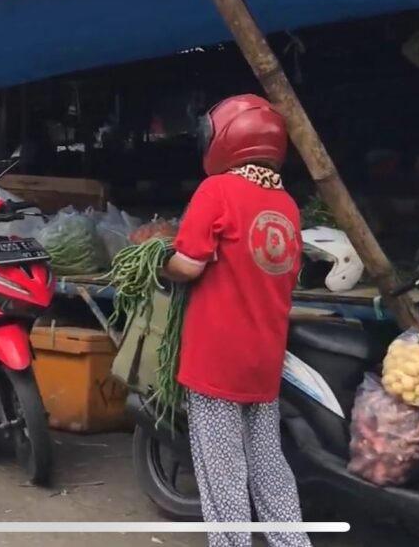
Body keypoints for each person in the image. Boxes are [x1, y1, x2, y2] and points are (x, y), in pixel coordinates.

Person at [163, 94, 310, 547]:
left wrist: (161, 262)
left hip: (216, 360)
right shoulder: (286, 205)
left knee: (222, 474)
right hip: (263, 359)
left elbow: (189, 264)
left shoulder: (218, 191)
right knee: (268, 467)